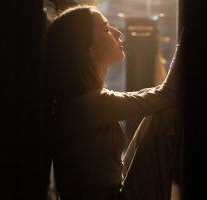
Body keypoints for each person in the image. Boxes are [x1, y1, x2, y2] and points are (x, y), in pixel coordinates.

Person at [44, 4, 182, 200]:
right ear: (88, 49)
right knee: (164, 115)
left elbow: (157, 96)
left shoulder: (80, 102)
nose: (118, 32)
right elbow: (168, 95)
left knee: (157, 112)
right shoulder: (89, 105)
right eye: (106, 29)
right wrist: (186, 39)